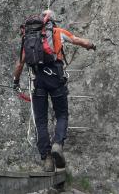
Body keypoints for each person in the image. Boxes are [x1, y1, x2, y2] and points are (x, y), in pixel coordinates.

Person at [13, 9, 96, 172]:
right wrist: (91, 45)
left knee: (41, 121)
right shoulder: (58, 32)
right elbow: (79, 41)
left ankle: (47, 158)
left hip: (38, 81)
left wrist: (16, 82)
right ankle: (57, 144)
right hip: (56, 78)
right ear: (53, 21)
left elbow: (20, 64)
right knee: (62, 115)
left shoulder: (30, 38)